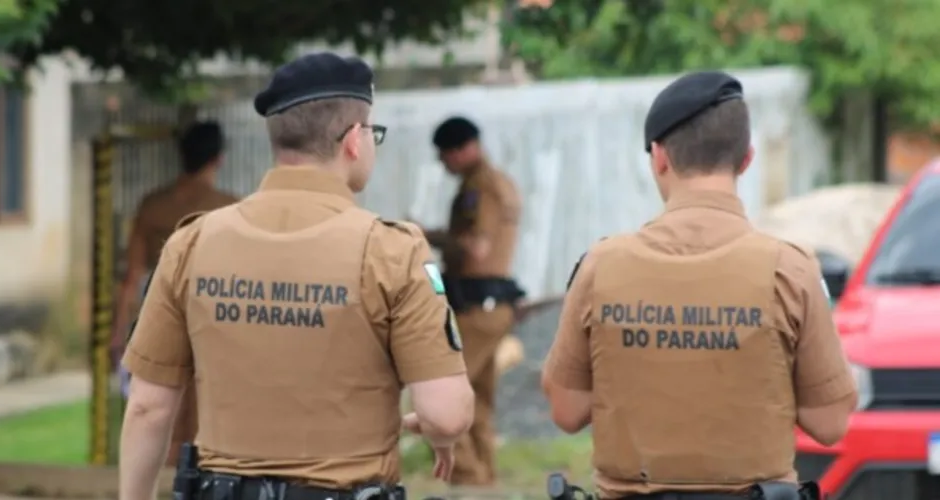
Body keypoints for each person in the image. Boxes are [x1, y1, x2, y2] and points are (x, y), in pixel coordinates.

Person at [119, 52, 474, 500]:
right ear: (352, 140)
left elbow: (148, 407)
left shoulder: (191, 243)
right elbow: (445, 413)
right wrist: (442, 432)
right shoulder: (394, 251)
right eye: (373, 133)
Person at [541, 71, 856, 500]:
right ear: (746, 158)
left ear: (659, 157)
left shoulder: (602, 267)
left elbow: (567, 409)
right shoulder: (790, 269)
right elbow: (830, 423)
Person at [112, 120, 238, 465]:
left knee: (158, 415)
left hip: (158, 317)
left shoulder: (153, 205)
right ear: (218, 158)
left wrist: (119, 333)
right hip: (211, 324)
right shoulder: (228, 209)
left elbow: (131, 277)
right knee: (201, 424)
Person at [418, 116, 523, 487]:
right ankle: (486, 479)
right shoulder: (501, 183)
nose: (442, 164)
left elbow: (476, 248)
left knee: (443, 392)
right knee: (476, 396)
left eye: (444, 155)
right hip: (493, 305)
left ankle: (467, 477)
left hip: (476, 307)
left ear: (462, 150)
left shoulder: (479, 188)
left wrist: (425, 235)